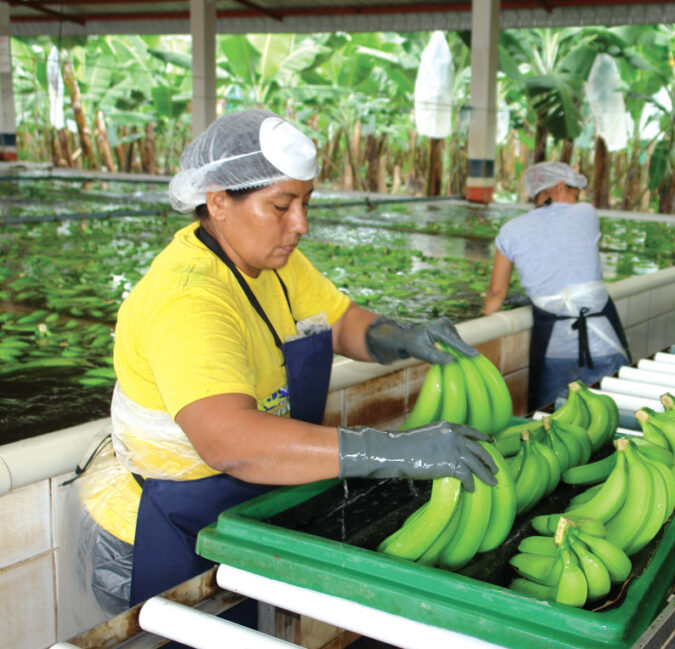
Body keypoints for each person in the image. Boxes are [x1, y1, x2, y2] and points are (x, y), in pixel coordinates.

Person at [74, 109, 496, 617]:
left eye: (306, 201)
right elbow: (231, 443)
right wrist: (394, 449)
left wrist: (400, 336)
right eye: (281, 205)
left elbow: (338, 321)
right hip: (160, 529)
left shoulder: (273, 261)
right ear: (218, 202)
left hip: (232, 511)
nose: (301, 224)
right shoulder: (189, 299)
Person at [483, 161, 630, 411]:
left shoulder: (509, 232)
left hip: (553, 348)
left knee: (552, 422)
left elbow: (496, 293)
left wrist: (484, 330)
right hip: (602, 339)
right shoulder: (587, 214)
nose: (577, 197)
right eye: (575, 192)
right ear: (560, 186)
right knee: (612, 415)